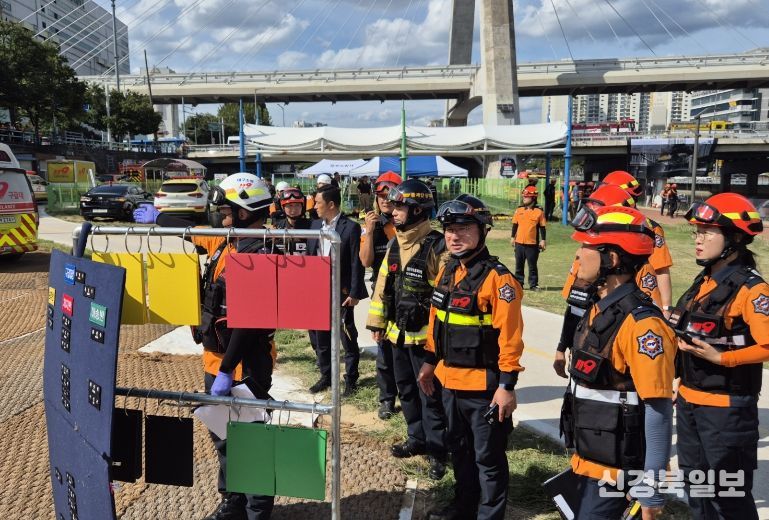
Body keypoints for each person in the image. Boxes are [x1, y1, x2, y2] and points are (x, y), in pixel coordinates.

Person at [159, 173, 276, 520]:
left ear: (244, 211)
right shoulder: (224, 242)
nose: (220, 216)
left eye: (226, 210)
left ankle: (257, 512)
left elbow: (251, 322)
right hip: (216, 360)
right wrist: (156, 214)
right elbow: (174, 225)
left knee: (251, 442)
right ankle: (233, 502)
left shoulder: (261, 251)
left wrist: (227, 370)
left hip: (245, 363)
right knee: (223, 436)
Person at [558, 204, 676, 519]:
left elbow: (659, 410)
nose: (578, 255)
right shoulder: (598, 310)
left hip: (619, 473)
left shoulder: (643, 326)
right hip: (589, 462)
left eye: (587, 247)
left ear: (611, 259)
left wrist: (651, 488)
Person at [418, 194, 524, 520]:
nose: (454, 236)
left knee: (488, 459)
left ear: (483, 230)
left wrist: (506, 387)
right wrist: (429, 364)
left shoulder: (499, 279)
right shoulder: (448, 272)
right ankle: (463, 507)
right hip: (448, 383)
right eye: (449, 229)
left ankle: (489, 515)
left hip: (483, 390)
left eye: (463, 228)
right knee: (459, 452)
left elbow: (510, 339)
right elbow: (437, 323)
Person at [671, 193, 766, 519]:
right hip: (689, 404)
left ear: (735, 238)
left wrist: (723, 359)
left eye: (707, 232)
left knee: (729, 497)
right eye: (697, 232)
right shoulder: (705, 281)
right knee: (697, 492)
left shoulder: (752, 289)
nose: (698, 239)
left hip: (726, 412)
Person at [366, 179, 449, 479]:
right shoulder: (394, 244)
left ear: (417, 210)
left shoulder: (437, 247)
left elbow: (445, 298)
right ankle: (417, 439)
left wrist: (436, 342)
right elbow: (382, 286)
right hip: (396, 336)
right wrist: (377, 322)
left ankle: (438, 452)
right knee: (407, 391)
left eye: (400, 207)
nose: (393, 212)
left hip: (426, 342)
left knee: (431, 397)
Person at [306, 184, 367, 396]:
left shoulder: (350, 227)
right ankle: (326, 375)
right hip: (318, 290)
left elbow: (356, 263)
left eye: (318, 203)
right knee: (320, 336)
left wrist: (354, 292)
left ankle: (351, 378)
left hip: (341, 292)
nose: (314, 207)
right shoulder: (314, 226)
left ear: (331, 204)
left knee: (347, 336)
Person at [359, 171, 401, 419]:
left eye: (390, 195)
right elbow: (365, 261)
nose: (385, 200)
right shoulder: (372, 225)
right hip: (382, 291)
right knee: (383, 347)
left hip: (408, 290)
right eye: (381, 196)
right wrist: (369, 229)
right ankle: (387, 399)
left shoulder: (408, 222)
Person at [603, 170, 674, 316]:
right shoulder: (600, 226)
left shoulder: (649, 229)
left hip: (639, 303)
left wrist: (666, 308)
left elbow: (661, 269)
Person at [511, 185, 546, 291]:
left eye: (526, 196)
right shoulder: (519, 210)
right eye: (523, 196)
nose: (524, 198)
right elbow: (515, 225)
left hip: (532, 244)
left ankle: (533, 284)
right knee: (519, 265)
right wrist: (512, 237)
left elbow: (542, 227)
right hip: (519, 243)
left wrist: (543, 240)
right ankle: (519, 283)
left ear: (533, 198)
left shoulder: (539, 212)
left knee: (532, 266)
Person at [273, 187, 311, 255]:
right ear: (283, 207)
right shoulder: (277, 227)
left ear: (302, 206)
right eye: (290, 205)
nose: (294, 209)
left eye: (297, 205)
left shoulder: (311, 227)